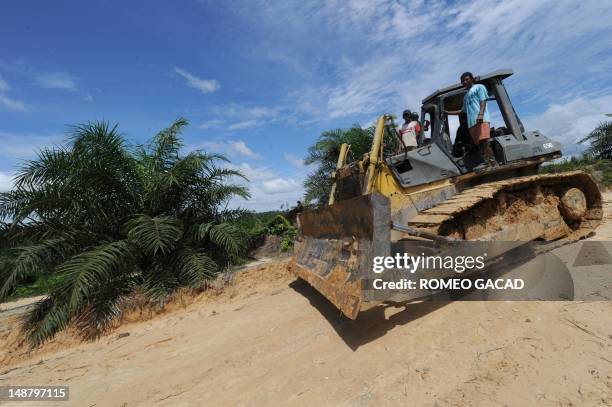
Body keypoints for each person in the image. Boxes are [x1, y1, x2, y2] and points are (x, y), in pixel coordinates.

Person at [446, 72, 497, 169]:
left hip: (481, 118)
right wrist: (448, 113)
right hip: (472, 122)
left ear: (472, 79)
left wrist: (481, 114)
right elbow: (462, 111)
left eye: (466, 79)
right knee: (479, 143)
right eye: (463, 81)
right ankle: (486, 162)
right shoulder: (466, 96)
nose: (465, 82)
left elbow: (483, 100)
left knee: (485, 141)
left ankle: (492, 163)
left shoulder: (479, 87)